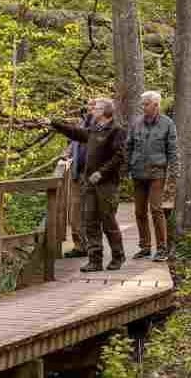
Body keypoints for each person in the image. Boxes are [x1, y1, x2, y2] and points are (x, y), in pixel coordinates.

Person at [48, 98, 126, 272]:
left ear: (105, 111)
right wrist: (54, 123)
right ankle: (95, 260)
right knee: (89, 221)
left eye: (96, 108)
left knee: (108, 221)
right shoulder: (94, 129)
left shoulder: (116, 131)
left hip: (107, 184)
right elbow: (75, 133)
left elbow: (120, 156)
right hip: (89, 182)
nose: (92, 110)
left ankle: (118, 256)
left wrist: (102, 172)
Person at [127, 91, 177, 262]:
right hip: (138, 172)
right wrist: (127, 168)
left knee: (156, 209)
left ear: (156, 105)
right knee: (139, 211)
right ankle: (145, 247)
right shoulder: (136, 123)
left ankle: (162, 248)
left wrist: (173, 174)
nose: (143, 106)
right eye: (143, 103)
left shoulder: (167, 123)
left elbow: (172, 150)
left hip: (157, 172)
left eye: (146, 103)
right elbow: (129, 146)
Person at [61, 99, 95, 258]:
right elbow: (73, 143)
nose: (91, 108)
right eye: (89, 105)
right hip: (76, 173)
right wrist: (66, 155)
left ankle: (92, 245)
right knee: (75, 210)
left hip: (92, 176)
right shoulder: (81, 124)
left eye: (95, 106)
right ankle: (79, 245)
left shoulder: (103, 127)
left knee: (90, 211)